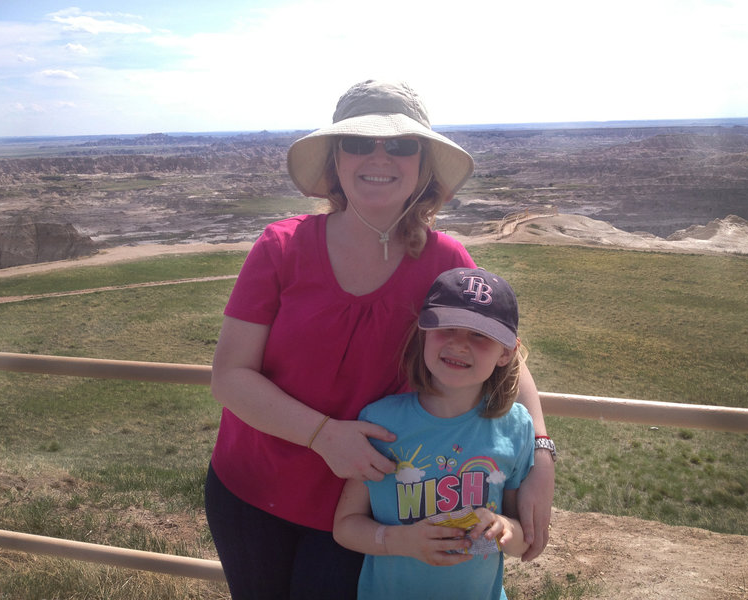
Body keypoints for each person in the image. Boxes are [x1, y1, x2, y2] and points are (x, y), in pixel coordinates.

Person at [205, 79, 555, 600]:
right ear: (335, 160)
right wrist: (325, 435)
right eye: (358, 142)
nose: (379, 155)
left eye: (400, 144)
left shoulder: (446, 261)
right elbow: (231, 376)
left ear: (422, 165)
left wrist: (541, 459)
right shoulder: (281, 248)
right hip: (255, 491)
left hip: (375, 509)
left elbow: (503, 355)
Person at [333, 267, 536, 599]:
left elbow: (522, 540)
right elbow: (345, 526)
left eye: (479, 335)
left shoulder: (516, 427)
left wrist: (503, 530)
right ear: (423, 333)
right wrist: (402, 542)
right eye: (446, 328)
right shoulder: (380, 423)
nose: (459, 344)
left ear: (506, 353)